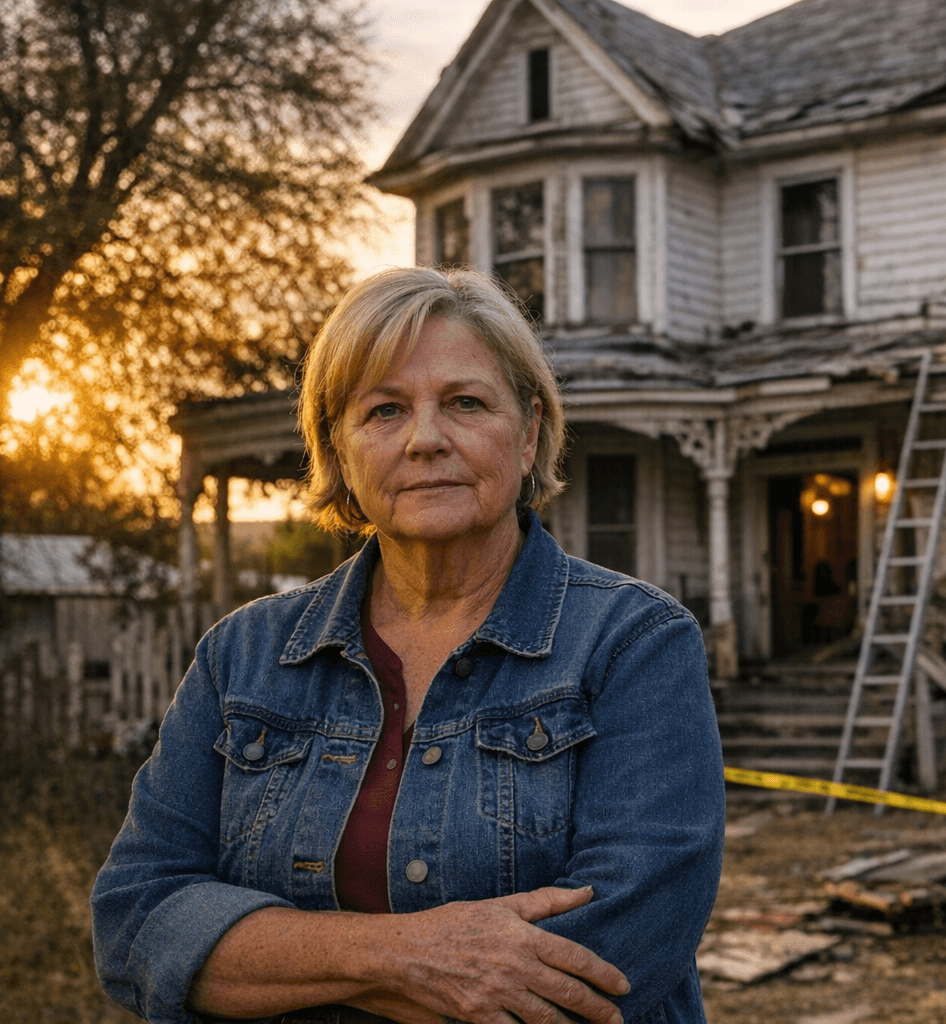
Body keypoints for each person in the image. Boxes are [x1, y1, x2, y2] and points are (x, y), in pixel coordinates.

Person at [91, 266, 726, 1024]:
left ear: (527, 436)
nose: (426, 440)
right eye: (385, 410)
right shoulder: (243, 657)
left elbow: (613, 960)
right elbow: (136, 921)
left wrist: (285, 968)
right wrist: (411, 955)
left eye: (465, 402)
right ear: (341, 450)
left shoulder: (632, 644)